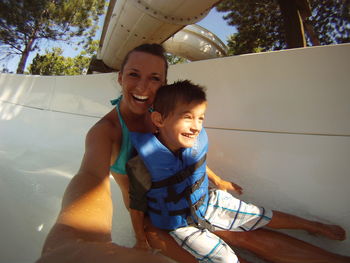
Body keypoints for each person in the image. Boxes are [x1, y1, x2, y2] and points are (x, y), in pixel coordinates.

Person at [37, 44, 349, 263]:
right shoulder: (104, 133)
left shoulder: (169, 113)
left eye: (154, 78)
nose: (143, 86)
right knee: (210, 252)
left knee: (241, 234)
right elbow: (89, 178)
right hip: (152, 216)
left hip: (193, 196)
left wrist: (218, 179)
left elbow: (187, 156)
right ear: (120, 77)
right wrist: (72, 237)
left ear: (164, 83)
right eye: (133, 74)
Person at [126, 80, 350, 263]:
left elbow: (195, 165)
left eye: (200, 118)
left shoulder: (191, 143)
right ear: (159, 119)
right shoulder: (142, 163)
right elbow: (136, 205)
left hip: (207, 202)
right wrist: (140, 239)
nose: (196, 126)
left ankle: (311, 225)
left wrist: (219, 181)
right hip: (180, 224)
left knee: (257, 214)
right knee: (224, 259)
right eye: (187, 117)